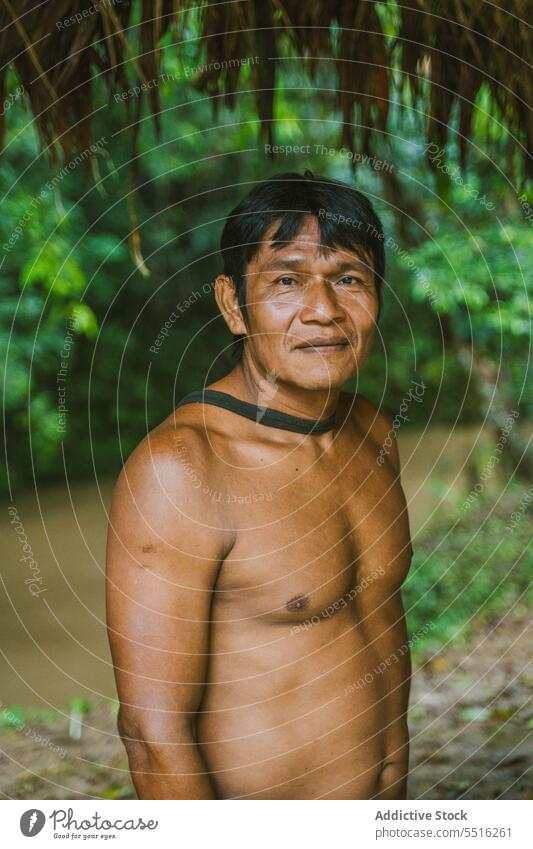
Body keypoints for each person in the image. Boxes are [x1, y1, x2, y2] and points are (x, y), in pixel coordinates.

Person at [106, 171, 413, 799]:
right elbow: (151, 732)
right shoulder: (183, 470)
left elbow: (379, 630)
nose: (324, 310)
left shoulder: (372, 431)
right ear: (231, 305)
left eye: (349, 279)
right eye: (286, 280)